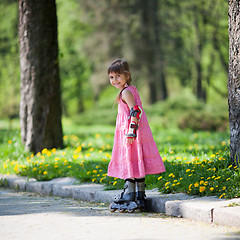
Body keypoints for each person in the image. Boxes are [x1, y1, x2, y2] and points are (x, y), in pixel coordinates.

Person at [107, 59, 165, 212]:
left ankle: (129, 194)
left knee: (129, 160)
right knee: (135, 161)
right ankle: (139, 195)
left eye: (118, 76)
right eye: (111, 77)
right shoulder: (131, 89)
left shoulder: (126, 92)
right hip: (135, 132)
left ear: (127, 75)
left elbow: (135, 110)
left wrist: (131, 130)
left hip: (131, 133)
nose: (114, 80)